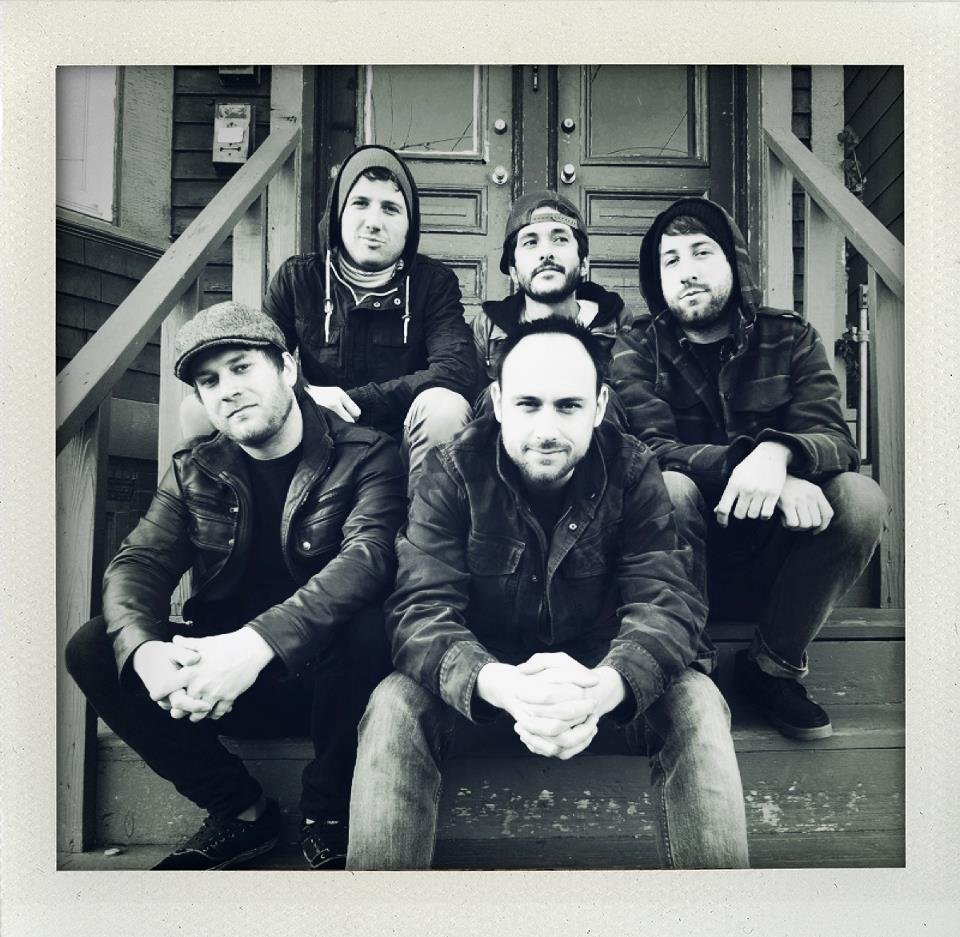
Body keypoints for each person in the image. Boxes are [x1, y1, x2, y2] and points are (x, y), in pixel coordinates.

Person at [347, 316, 749, 870]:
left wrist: (605, 687)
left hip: (602, 685)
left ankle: (722, 909)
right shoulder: (452, 469)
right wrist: (501, 686)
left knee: (697, 700)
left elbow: (666, 600)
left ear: (600, 406)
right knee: (394, 704)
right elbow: (420, 610)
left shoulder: (634, 470)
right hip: (485, 685)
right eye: (528, 404)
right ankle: (377, 910)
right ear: (497, 402)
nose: (546, 429)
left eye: (569, 406)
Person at [65, 302, 406, 870]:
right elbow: (138, 564)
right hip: (223, 688)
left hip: (332, 689)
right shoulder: (195, 469)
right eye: (209, 381)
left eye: (242, 367)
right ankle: (241, 813)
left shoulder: (367, 453)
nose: (227, 390)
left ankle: (329, 813)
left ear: (288, 369)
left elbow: (368, 558)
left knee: (369, 622)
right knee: (96, 645)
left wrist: (255, 645)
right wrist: (148, 654)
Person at [610, 196, 888, 740]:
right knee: (667, 486)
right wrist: (752, 465)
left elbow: (836, 441)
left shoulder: (789, 337)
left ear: (733, 262)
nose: (686, 271)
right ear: (657, 280)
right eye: (670, 260)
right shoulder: (638, 346)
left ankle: (773, 668)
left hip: (778, 561)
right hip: (681, 561)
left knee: (860, 499)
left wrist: (778, 455)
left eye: (701, 253)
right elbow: (648, 450)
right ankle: (692, 668)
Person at [262, 143, 477, 493]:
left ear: (410, 225)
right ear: (338, 213)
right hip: (318, 442)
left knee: (445, 407)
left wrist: (355, 401)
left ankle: (425, 524)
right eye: (360, 203)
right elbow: (262, 364)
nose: (373, 223)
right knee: (207, 407)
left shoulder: (433, 283)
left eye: (390, 208)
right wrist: (308, 396)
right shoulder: (298, 279)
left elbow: (457, 371)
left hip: (402, 449)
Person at [471, 190, 629, 420]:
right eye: (530, 242)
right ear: (513, 271)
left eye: (560, 239)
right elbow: (474, 413)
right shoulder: (488, 328)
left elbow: (630, 409)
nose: (546, 253)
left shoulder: (616, 322)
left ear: (584, 264)